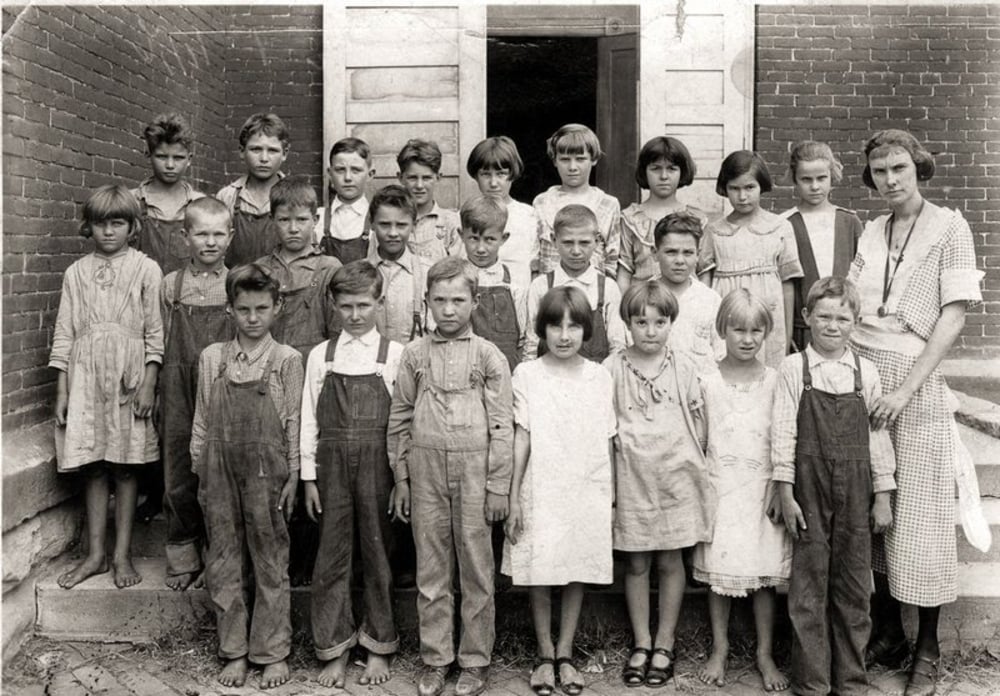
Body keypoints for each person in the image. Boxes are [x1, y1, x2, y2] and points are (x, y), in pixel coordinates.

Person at [849, 129, 983, 696]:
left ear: (919, 168)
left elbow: (952, 317)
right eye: (880, 171)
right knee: (873, 508)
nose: (891, 180)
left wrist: (904, 390)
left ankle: (925, 648)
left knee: (923, 515)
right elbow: (854, 302)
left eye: (900, 168)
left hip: (916, 385)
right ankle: (887, 633)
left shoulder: (950, 228)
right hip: (862, 376)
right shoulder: (873, 229)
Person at [388, 257, 514, 696]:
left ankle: (475, 661)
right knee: (432, 567)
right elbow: (400, 416)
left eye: (458, 300)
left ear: (474, 302)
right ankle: (436, 658)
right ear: (426, 302)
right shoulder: (414, 354)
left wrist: (499, 486)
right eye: (439, 300)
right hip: (425, 473)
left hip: (475, 471)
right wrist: (401, 477)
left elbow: (502, 425)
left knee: (477, 568)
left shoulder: (488, 356)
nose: (449, 310)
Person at [772, 276, 896, 696]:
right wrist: (785, 490)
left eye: (842, 317)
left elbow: (878, 438)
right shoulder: (794, 369)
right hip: (808, 486)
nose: (832, 325)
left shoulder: (866, 372)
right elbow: (782, 433)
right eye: (823, 316)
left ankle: (851, 680)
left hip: (857, 489)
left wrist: (883, 494)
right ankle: (812, 681)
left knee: (854, 586)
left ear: (855, 323)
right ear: (806, 318)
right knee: (808, 584)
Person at [190, 264, 302, 689]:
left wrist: (293, 475)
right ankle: (234, 651)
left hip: (266, 474)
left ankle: (272, 652)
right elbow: (201, 418)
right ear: (229, 311)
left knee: (271, 559)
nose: (252, 318)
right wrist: (200, 467)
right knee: (223, 560)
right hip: (217, 472)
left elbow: (292, 423)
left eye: (261, 308)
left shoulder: (286, 360)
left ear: (277, 308)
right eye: (243, 309)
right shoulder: (213, 358)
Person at [50, 184, 163, 590]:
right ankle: (96, 555)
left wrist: (150, 381)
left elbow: (155, 333)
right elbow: (64, 333)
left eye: (118, 223)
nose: (109, 232)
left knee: (126, 466)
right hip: (86, 378)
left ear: (133, 227)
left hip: (129, 377)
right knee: (94, 465)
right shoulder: (76, 273)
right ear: (89, 226)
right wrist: (62, 391)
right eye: (101, 224)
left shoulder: (147, 269)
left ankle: (121, 555)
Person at [504, 286, 616, 696]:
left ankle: (566, 652)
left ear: (586, 330)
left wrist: (611, 497)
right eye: (555, 325)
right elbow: (522, 438)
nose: (564, 335)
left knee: (575, 566)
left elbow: (607, 439)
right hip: (541, 483)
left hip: (585, 484)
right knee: (540, 565)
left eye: (573, 326)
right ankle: (544, 653)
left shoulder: (599, 375)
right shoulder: (527, 374)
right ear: (542, 329)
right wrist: (514, 495)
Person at [301, 261, 403, 688]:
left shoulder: (394, 355)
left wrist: (402, 478)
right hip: (332, 466)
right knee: (332, 553)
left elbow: (402, 421)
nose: (356, 315)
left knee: (378, 554)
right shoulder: (321, 355)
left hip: (379, 463)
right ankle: (335, 647)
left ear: (380, 303)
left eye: (364, 305)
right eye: (346, 306)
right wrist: (308, 476)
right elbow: (309, 417)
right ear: (334, 306)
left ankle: (379, 645)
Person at [606, 280, 711, 690]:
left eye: (660, 322)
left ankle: (665, 642)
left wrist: (693, 461)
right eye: (641, 322)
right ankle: (641, 642)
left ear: (671, 323)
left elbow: (699, 420)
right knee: (635, 562)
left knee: (670, 561)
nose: (650, 330)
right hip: (631, 477)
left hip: (674, 476)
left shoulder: (683, 366)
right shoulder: (612, 368)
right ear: (628, 324)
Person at [691, 289, 790, 691]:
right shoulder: (707, 381)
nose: (747, 339)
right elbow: (699, 439)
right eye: (738, 330)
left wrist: (779, 484)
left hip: (762, 490)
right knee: (721, 571)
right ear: (722, 330)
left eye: (756, 331)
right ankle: (720, 647)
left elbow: (783, 435)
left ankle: (764, 652)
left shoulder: (775, 381)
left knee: (762, 573)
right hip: (721, 488)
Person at [158, 197, 233, 591]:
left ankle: (217, 557)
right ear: (185, 237)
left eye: (218, 233)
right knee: (178, 471)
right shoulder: (171, 285)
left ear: (231, 237)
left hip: (220, 384)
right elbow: (157, 339)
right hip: (176, 386)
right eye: (201, 233)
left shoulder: (235, 282)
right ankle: (184, 557)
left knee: (216, 471)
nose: (210, 242)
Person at [703, 150, 803, 367]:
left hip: (768, 313)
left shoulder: (780, 227)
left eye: (749, 187)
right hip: (728, 315)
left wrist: (785, 337)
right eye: (734, 189)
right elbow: (704, 287)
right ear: (724, 188)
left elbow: (788, 285)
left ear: (762, 186)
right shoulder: (714, 231)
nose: (742, 196)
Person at [781, 141, 863, 351]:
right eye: (806, 179)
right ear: (795, 180)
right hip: (802, 332)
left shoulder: (849, 221)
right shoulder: (784, 224)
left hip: (845, 330)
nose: (815, 186)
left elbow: (862, 276)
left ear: (832, 175)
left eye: (821, 178)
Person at [254, 175, 342, 364]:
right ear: (272, 219)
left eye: (301, 219)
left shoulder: (328, 268)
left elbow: (337, 331)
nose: (293, 228)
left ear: (315, 219)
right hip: (268, 366)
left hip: (314, 366)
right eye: (284, 220)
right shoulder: (261, 269)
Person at [524, 205, 626, 361]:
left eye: (584, 243)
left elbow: (617, 347)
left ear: (597, 241)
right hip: (549, 379)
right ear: (553, 240)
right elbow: (531, 344)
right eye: (568, 243)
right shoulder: (541, 286)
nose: (576, 251)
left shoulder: (607, 288)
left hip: (595, 379)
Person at [533, 124, 620, 277]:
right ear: (555, 161)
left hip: (592, 293)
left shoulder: (608, 204)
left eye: (580, 159)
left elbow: (612, 258)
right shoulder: (542, 202)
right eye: (565, 159)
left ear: (593, 159)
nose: (572, 167)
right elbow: (535, 255)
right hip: (551, 291)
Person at [617, 136, 701, 291]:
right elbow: (624, 272)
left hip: (687, 303)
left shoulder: (698, 219)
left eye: (671, 169)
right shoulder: (629, 219)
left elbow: (704, 272)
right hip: (643, 307)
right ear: (644, 171)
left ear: (682, 172)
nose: (663, 176)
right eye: (655, 168)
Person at [649, 211, 724, 374]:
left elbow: (721, 354)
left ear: (698, 254)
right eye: (671, 252)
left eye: (688, 253)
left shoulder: (710, 300)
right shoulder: (641, 297)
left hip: (700, 389)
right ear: (655, 253)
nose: (680, 261)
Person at [131, 113, 205, 273]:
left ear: (189, 159)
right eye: (162, 157)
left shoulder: (200, 204)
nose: (170, 165)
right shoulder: (132, 201)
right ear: (148, 155)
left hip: (186, 294)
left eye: (178, 158)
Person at [461, 195, 527, 371]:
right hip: (465, 366)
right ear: (461, 235)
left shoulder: (514, 283)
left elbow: (524, 338)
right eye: (473, 238)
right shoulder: (454, 279)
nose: (481, 248)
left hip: (506, 368)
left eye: (489, 239)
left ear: (503, 238)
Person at [467, 135, 541, 289]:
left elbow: (535, 268)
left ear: (512, 174)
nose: (493, 183)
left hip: (518, 300)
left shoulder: (528, 216)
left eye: (501, 174)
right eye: (485, 174)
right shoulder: (467, 215)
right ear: (476, 175)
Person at [217, 112, 289, 267]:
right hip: (236, 287)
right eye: (256, 149)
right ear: (242, 151)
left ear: (284, 154)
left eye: (272, 150)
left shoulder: (295, 196)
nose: (264, 158)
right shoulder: (227, 196)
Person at [365, 184, 428, 345]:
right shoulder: (360, 273)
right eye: (384, 224)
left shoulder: (428, 273)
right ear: (372, 224)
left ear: (414, 225)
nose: (393, 233)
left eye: (401, 225)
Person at [395, 139, 462, 271]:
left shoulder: (451, 223)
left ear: (438, 177)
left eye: (426, 178)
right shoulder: (391, 221)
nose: (419, 186)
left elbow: (459, 271)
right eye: (412, 178)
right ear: (401, 178)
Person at [319, 137, 375, 264]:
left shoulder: (377, 220)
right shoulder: (318, 219)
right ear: (330, 173)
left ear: (370, 174)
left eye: (356, 170)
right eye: (340, 170)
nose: (348, 178)